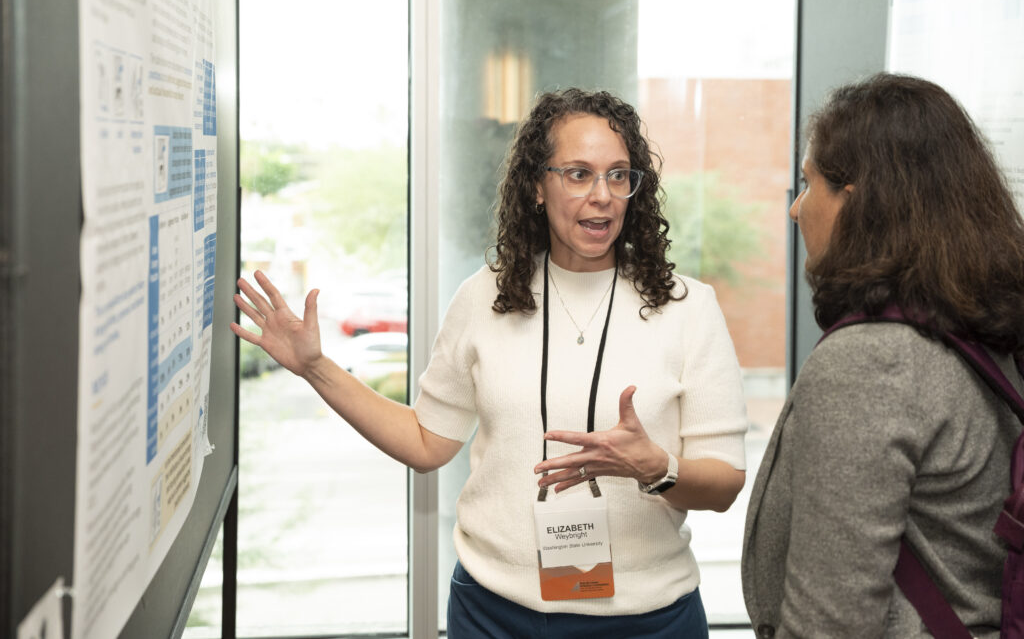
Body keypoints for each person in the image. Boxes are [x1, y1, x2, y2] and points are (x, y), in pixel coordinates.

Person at [233, 88, 748, 638]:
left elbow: (723, 484)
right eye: (578, 173)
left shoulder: (688, 308)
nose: (602, 195)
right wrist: (317, 368)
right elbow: (427, 442)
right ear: (536, 187)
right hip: (494, 614)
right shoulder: (485, 297)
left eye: (618, 175)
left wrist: (654, 466)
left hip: (648, 622)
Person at [742, 73, 1024, 638]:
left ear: (856, 198)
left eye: (808, 184)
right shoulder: (984, 328)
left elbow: (831, 625)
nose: (797, 210)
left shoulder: (871, 362)